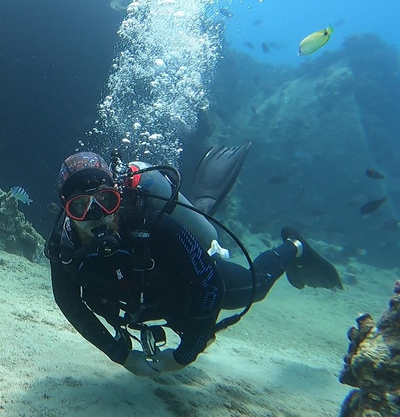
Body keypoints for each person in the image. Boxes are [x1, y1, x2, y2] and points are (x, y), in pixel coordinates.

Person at [44, 150, 343, 376]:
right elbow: (68, 302)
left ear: (118, 197)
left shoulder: (152, 224)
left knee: (255, 287)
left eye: (106, 200)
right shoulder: (62, 248)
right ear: (66, 210)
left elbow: (209, 284)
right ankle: (203, 207)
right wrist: (119, 355)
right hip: (142, 302)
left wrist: (184, 355)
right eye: (80, 207)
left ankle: (295, 246)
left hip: (182, 291)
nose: (96, 215)